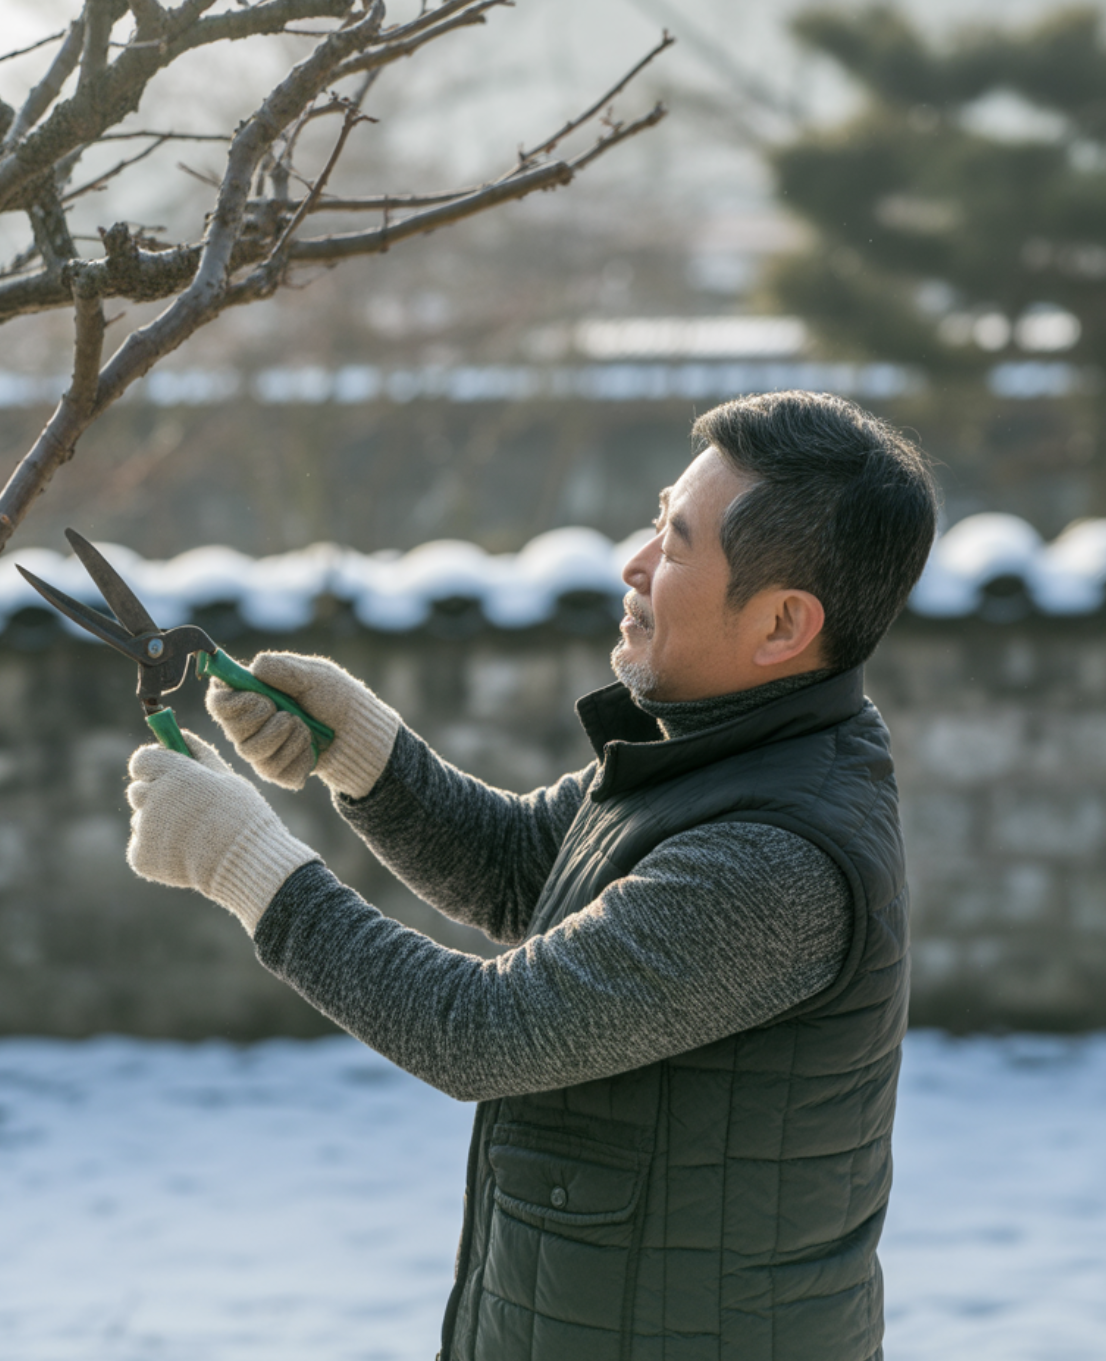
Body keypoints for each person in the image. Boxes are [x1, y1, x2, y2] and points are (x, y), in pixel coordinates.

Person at [125, 390, 939, 1361]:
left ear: (781, 625)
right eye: (654, 524)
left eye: (676, 546)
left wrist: (239, 863)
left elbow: (481, 1032)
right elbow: (523, 873)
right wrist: (362, 752)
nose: (634, 567)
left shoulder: (775, 859)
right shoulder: (723, 750)